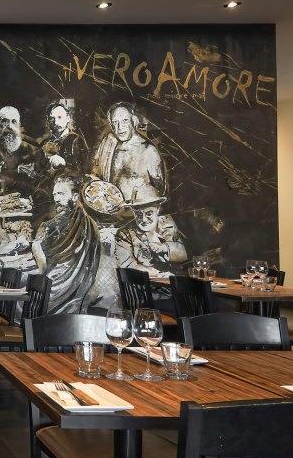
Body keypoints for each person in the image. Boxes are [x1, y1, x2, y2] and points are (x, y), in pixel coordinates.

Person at [31, 173, 104, 314]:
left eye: (61, 194)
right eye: (55, 194)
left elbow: (42, 265)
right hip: (73, 289)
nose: (56, 199)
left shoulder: (87, 225)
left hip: (56, 287)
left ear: (75, 196)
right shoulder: (89, 223)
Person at [92, 102, 165, 203]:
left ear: (133, 121)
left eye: (125, 121)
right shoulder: (109, 147)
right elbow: (96, 176)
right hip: (113, 207)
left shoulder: (148, 151)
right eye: (115, 122)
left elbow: (160, 189)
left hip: (141, 208)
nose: (119, 127)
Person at [113, 193, 188, 275]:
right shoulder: (124, 233)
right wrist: (158, 275)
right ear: (133, 212)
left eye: (149, 214)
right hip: (143, 281)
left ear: (157, 209)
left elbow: (184, 254)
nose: (144, 219)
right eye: (138, 214)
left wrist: (165, 248)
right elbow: (127, 265)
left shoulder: (166, 222)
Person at [0, 106, 40, 194]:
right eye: (5, 121)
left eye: (14, 121)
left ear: (19, 125)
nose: (9, 126)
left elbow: (41, 178)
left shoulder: (33, 149)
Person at [39, 99, 88, 175]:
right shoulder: (45, 143)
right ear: (48, 121)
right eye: (52, 119)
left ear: (68, 118)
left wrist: (64, 164)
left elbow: (83, 170)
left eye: (59, 117)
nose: (56, 122)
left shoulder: (76, 140)